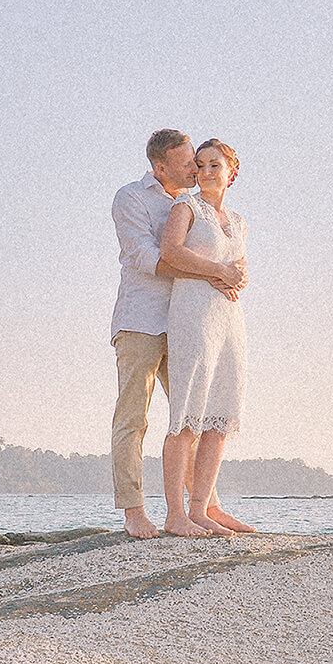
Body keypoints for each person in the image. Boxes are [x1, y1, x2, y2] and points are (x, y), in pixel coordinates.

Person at [109, 129, 246, 538]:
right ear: (160, 166)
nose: (195, 168)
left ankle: (207, 506)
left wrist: (229, 273)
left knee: (196, 414)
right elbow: (149, 259)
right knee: (134, 416)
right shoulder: (131, 198)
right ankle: (134, 510)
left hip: (190, 322)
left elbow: (228, 256)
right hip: (143, 319)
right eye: (188, 162)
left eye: (199, 161)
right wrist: (218, 273)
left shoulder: (196, 203)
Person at [159, 138, 256, 537]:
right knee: (187, 415)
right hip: (193, 316)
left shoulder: (238, 221)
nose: (206, 172)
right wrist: (218, 271)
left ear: (232, 172)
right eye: (200, 165)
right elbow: (169, 254)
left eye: (215, 165)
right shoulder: (187, 208)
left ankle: (203, 509)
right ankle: (175, 513)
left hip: (229, 320)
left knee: (220, 414)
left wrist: (238, 276)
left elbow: (240, 270)